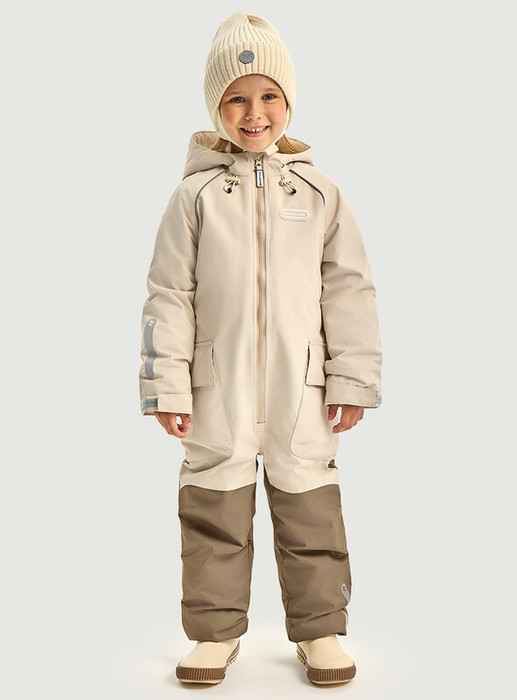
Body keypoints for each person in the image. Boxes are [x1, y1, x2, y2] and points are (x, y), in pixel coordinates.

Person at [139, 11, 383, 687]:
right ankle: (213, 634)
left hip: (300, 389)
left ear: (288, 100)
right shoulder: (192, 198)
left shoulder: (319, 193)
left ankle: (320, 629)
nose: (254, 113)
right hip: (215, 387)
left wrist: (351, 380)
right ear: (215, 108)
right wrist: (166, 386)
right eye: (236, 98)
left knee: (310, 508)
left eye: (269, 95)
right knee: (213, 510)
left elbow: (350, 290)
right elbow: (167, 296)